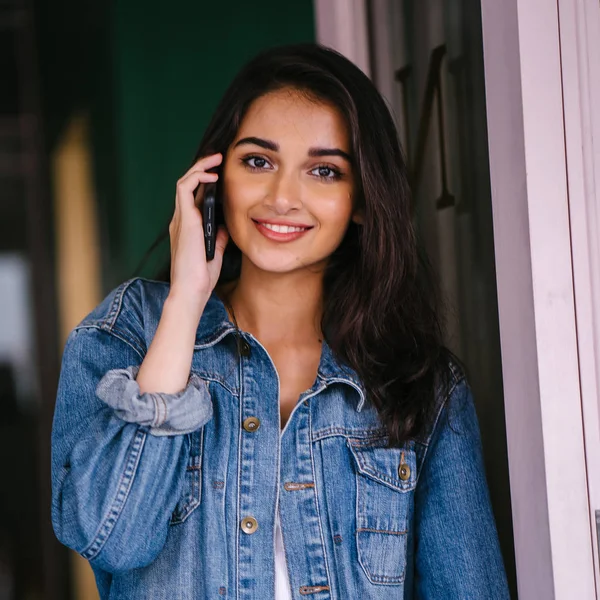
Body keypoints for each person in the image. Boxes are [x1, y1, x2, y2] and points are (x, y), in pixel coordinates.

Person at [51, 43, 510, 599]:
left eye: (323, 170)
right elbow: (112, 538)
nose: (283, 197)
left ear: (361, 200)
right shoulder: (126, 336)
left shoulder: (421, 386)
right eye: (258, 161)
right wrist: (184, 305)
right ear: (215, 179)